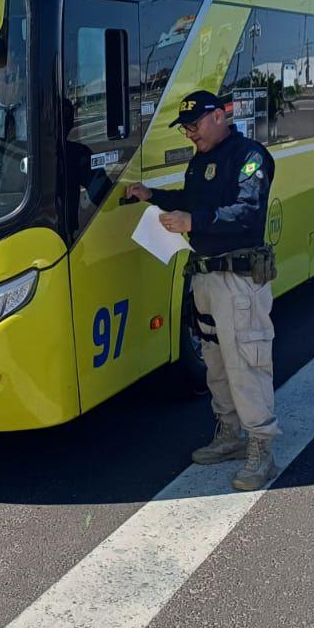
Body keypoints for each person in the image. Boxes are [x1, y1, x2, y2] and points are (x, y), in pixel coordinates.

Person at [127, 90, 278, 492]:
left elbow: (248, 212)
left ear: (217, 117)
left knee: (247, 361)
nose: (190, 134)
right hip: (206, 278)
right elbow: (190, 201)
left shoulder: (249, 156)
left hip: (238, 280)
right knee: (215, 363)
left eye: (193, 126)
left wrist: (193, 220)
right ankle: (229, 435)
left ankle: (261, 449)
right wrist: (153, 197)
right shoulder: (200, 162)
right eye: (186, 129)